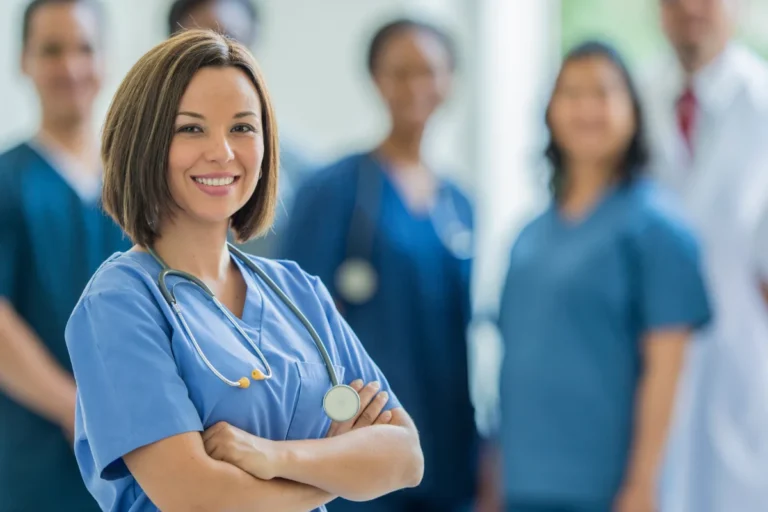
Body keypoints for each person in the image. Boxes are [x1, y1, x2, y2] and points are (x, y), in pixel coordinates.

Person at [64, 29, 423, 512]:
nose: (223, 152)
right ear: (144, 141)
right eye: (191, 128)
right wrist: (340, 470)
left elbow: (404, 457)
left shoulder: (297, 291)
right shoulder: (120, 302)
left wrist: (273, 457)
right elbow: (197, 497)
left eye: (242, 127)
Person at [497, 41, 712, 512]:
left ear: (633, 110)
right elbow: (514, 365)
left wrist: (642, 483)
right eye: (571, 93)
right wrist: (493, 475)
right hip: (523, 483)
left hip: (606, 489)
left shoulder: (658, 228)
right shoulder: (529, 236)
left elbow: (667, 370)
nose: (586, 108)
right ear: (550, 111)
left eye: (602, 93)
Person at [281, 18, 481, 512]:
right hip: (360, 440)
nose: (416, 86)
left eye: (429, 71)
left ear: (450, 80)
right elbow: (295, 325)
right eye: (400, 72)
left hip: (447, 449)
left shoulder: (458, 202)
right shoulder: (334, 189)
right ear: (376, 80)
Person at [0, 1, 129, 510]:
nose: (70, 67)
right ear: (24, 61)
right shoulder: (9, 181)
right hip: (34, 448)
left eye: (84, 49)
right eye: (51, 50)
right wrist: (77, 409)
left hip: (141, 440)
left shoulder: (139, 183)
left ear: (105, 60)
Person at [641, 1, 768, 510]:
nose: (690, 7)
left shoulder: (761, 103)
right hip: (648, 368)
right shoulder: (633, 99)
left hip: (743, 365)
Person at [167, 0, 314, 258]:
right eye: (196, 45)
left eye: (229, 38)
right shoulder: (144, 161)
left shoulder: (304, 175)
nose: (214, 55)